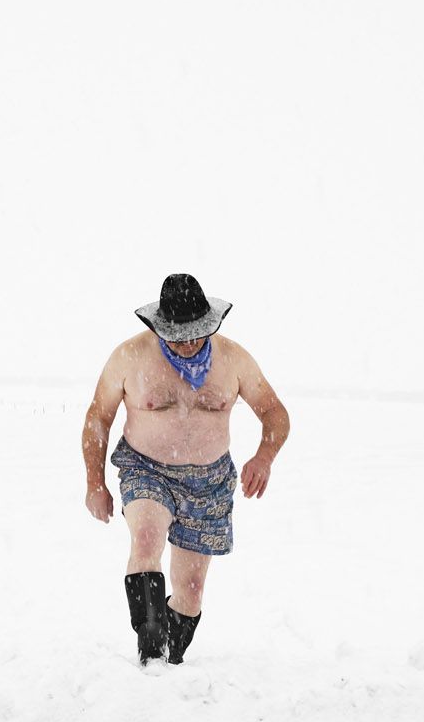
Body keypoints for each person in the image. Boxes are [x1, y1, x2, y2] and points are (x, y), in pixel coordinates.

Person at [82, 273, 290, 665]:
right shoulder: (129, 356)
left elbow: (275, 414)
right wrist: (95, 482)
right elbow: (98, 418)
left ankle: (170, 658)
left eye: (197, 333)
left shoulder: (234, 359)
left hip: (210, 482)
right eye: (178, 336)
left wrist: (264, 457)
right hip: (146, 469)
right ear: (160, 327)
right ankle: (151, 655)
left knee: (190, 592)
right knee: (146, 541)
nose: (189, 343)